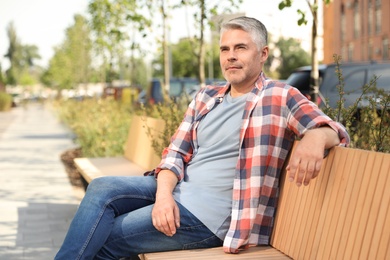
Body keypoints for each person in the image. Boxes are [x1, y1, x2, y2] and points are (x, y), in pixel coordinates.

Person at [55, 16, 350, 260]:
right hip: (180, 191)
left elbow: (334, 130)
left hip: (211, 217)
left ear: (263, 54)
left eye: (241, 48)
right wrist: (163, 197)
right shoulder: (206, 96)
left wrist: (314, 137)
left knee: (102, 238)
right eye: (225, 49)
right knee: (101, 187)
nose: (231, 56)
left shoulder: (281, 96)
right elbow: (175, 154)